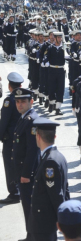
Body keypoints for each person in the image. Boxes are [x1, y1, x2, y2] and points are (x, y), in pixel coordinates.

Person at [29, 116, 70, 241]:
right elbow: (65, 190)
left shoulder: (50, 162)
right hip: (47, 222)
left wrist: (63, 220)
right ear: (54, 137)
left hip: (43, 223)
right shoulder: (58, 156)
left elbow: (56, 194)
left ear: (38, 137)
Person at [12, 87, 40, 241]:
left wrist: (25, 174)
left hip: (27, 173)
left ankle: (33, 236)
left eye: (23, 101)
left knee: (30, 206)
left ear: (31, 101)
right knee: (27, 206)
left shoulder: (31, 121)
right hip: (23, 171)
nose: (20, 104)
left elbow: (32, 150)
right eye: (17, 101)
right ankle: (30, 235)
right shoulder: (24, 117)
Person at [0, 72, 24, 204]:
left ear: (9, 86)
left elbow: (4, 121)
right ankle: (19, 189)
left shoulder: (9, 101)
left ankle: (14, 192)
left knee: (10, 165)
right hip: (22, 137)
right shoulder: (25, 97)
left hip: (10, 139)